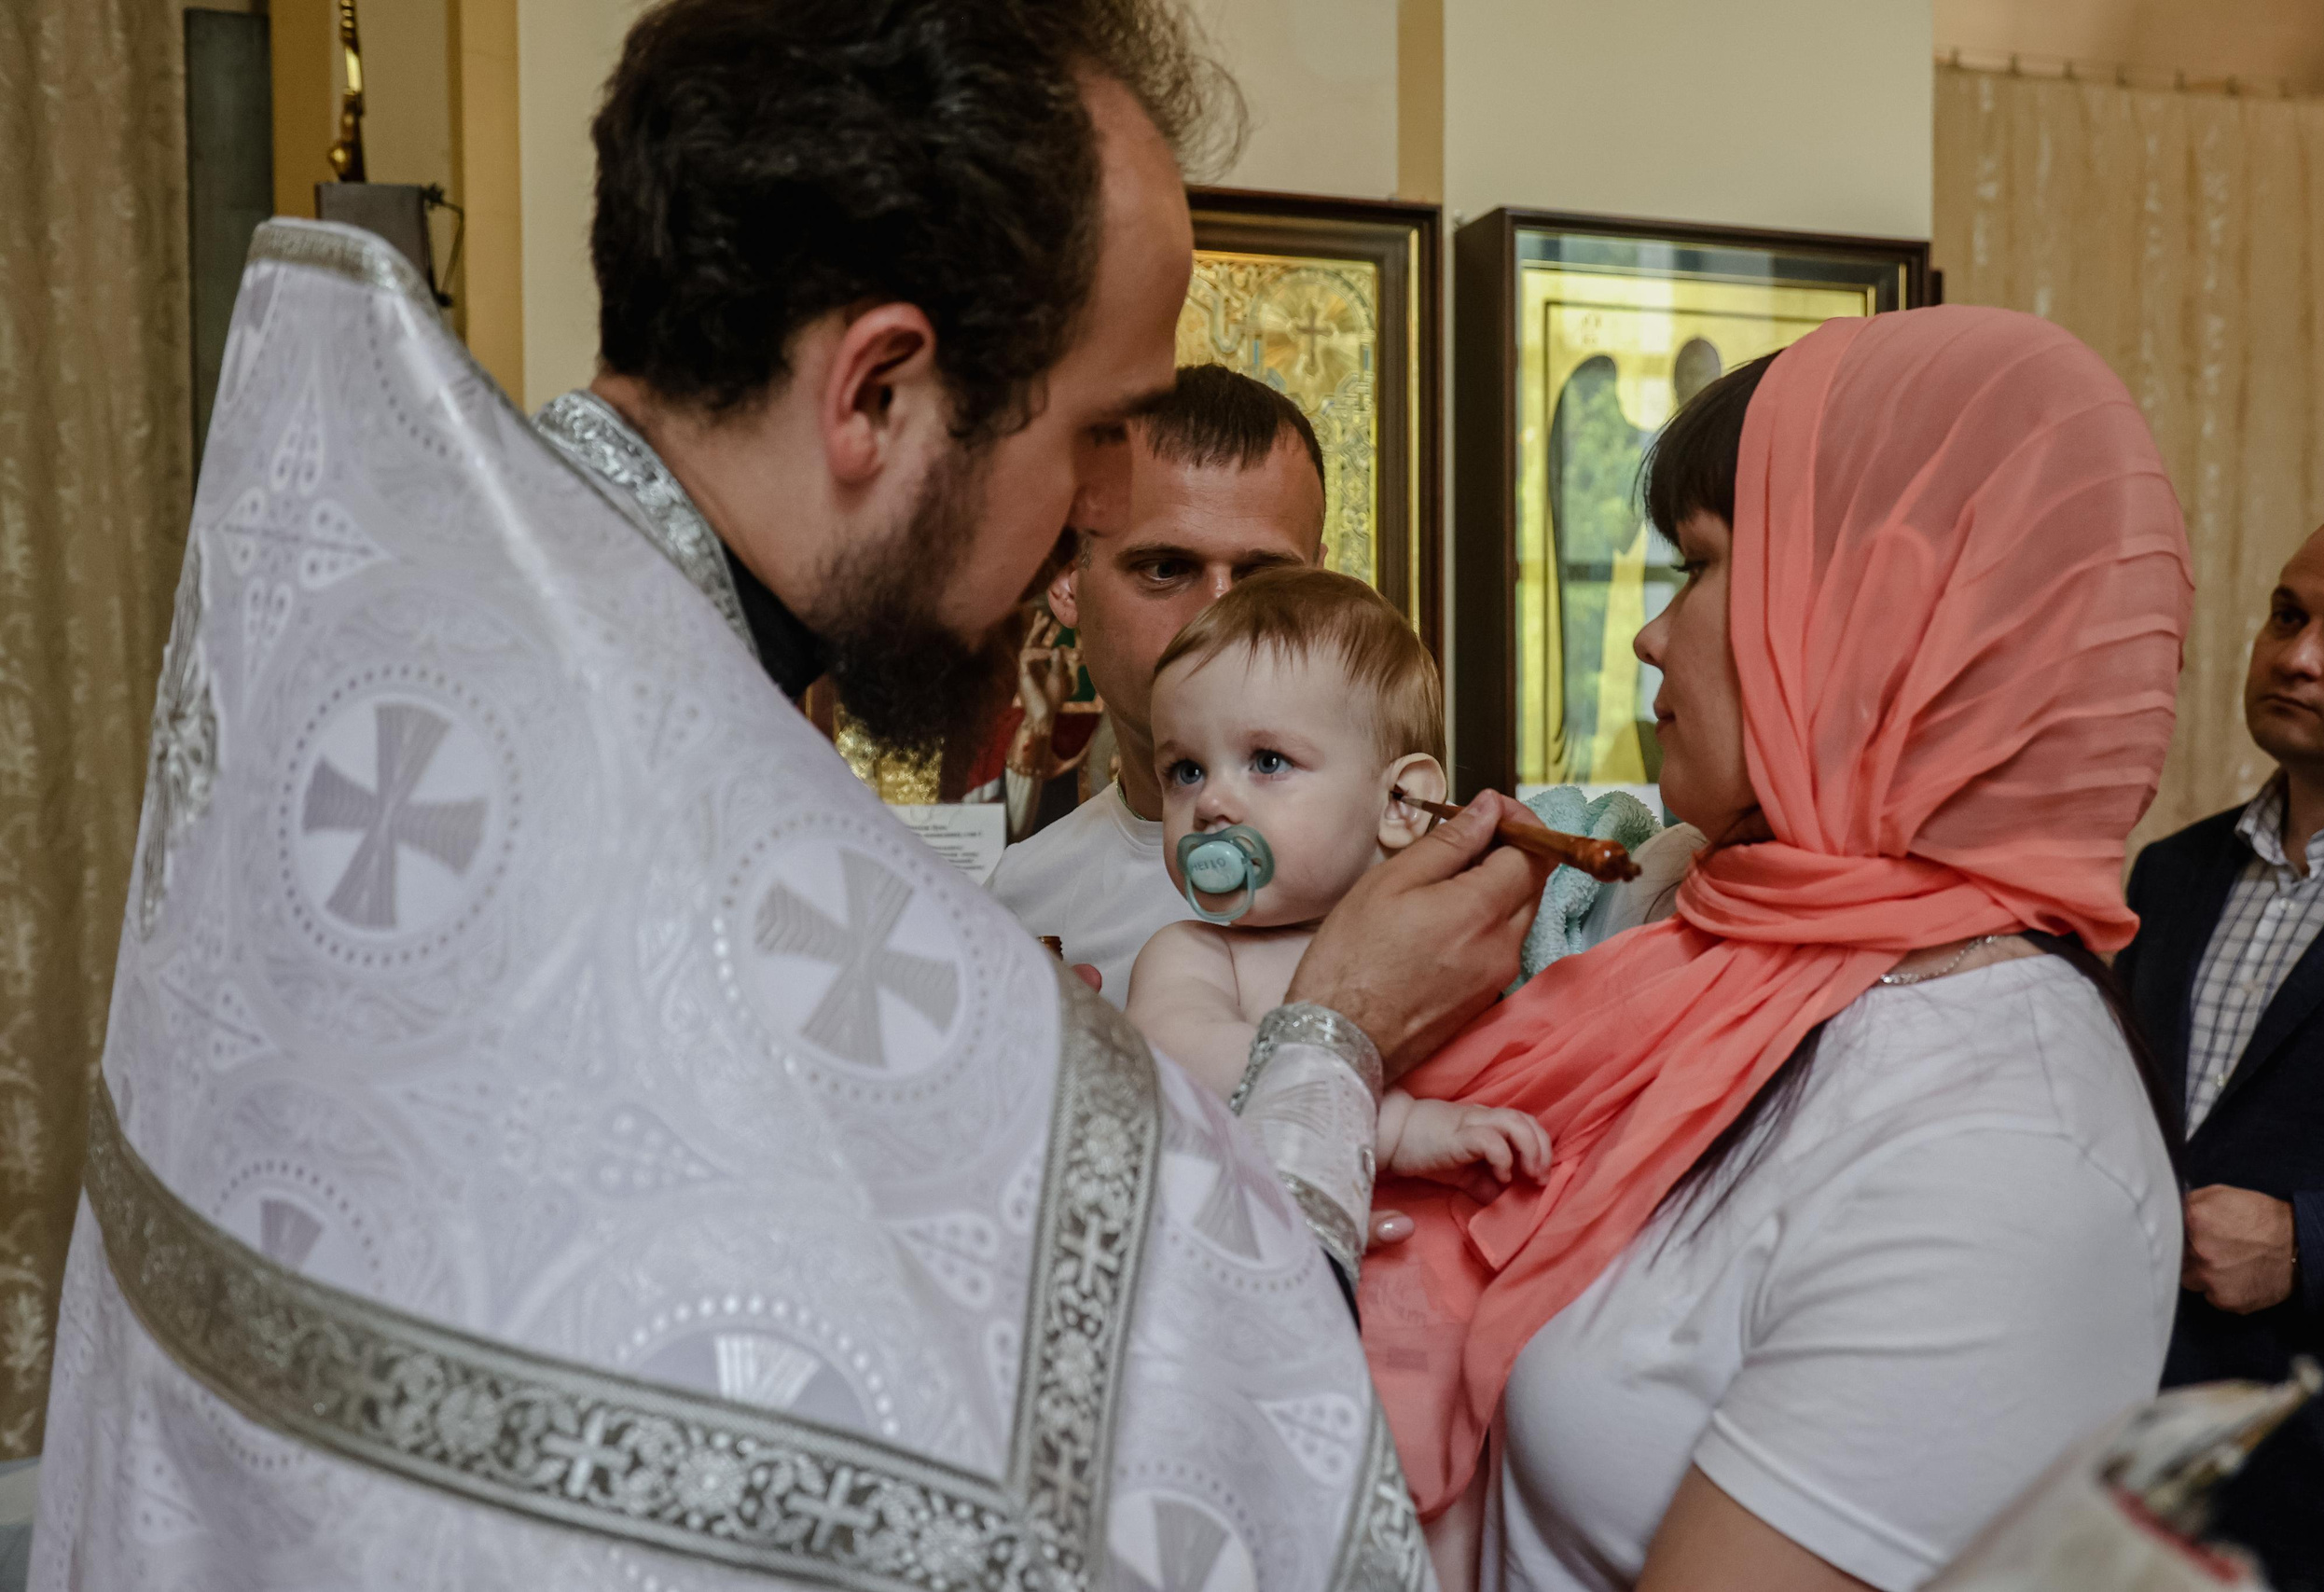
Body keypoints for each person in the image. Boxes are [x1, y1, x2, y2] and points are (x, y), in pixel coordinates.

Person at [33, 4, 1552, 1587]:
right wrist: (1333, 1038)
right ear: (877, 393)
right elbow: (1173, 1441)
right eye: (1097, 435)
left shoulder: (435, 657)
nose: (1093, 518)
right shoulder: (659, 818)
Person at [1359, 306, 2196, 1592]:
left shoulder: (2005, 1151)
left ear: (1879, 620)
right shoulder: (1708, 931)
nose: (1650, 633)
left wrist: (1334, 1030)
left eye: (1696, 567)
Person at [2116, 499, 2324, 1590]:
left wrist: (2307, 1242)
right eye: (2285, 614)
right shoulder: (2171, 873)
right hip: (2141, 1455)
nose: (2295, 656)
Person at [1126, 569, 1555, 1196]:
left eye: (1268, 761)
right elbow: (1183, 1068)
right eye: (1185, 770)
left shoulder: (1448, 936)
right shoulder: (1195, 955)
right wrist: (1398, 1126)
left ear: (1402, 803)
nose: (1211, 800)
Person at [989, 363, 1326, 1002]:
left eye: (1264, 576)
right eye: (1167, 568)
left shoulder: (1404, 872)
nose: (1219, 618)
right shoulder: (1025, 898)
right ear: (1067, 581)